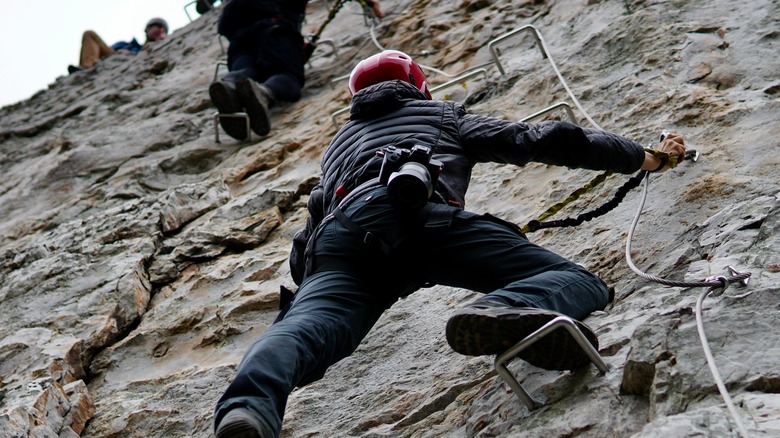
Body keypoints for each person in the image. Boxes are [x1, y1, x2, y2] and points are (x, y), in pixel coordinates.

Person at [213, 50, 687, 437]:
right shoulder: (437, 113)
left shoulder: (339, 144)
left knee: (302, 333)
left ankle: (248, 411)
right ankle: (505, 309)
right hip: (420, 217)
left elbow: (316, 214)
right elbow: (544, 139)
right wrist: (647, 158)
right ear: (419, 85)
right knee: (575, 279)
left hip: (337, 245)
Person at [209, 0, 384, 141]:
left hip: (237, 32)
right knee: (287, 76)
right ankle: (263, 93)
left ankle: (230, 85)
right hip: (274, 25)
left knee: (245, 68)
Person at [68, 18, 169, 74]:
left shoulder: (158, 47)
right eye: (158, 27)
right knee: (89, 34)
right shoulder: (126, 44)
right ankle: (86, 67)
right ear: (147, 28)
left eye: (164, 30)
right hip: (111, 59)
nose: (161, 31)